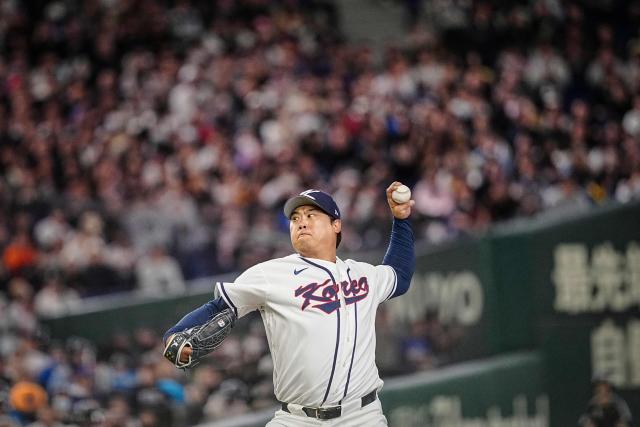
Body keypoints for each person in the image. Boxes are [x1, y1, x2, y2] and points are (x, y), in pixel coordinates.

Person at [163, 182, 415, 426]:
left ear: (336, 225)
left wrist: (401, 220)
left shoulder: (362, 274)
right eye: (295, 218)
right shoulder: (271, 274)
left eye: (311, 214)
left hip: (361, 416)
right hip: (297, 419)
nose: (301, 221)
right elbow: (218, 308)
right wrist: (174, 334)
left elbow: (399, 276)